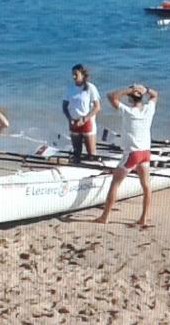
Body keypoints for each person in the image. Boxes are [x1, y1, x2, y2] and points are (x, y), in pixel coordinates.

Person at [94, 83, 158, 227]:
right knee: (146, 185)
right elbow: (155, 95)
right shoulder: (149, 109)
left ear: (130, 99)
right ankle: (143, 218)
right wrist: (145, 89)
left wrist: (129, 90)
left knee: (115, 184)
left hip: (132, 154)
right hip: (146, 153)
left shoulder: (128, 111)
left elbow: (111, 96)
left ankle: (105, 216)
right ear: (142, 98)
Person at [62, 64, 101, 163]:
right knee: (76, 153)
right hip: (74, 123)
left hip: (87, 123)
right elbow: (64, 107)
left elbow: (97, 107)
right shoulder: (69, 88)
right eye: (72, 74)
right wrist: (69, 118)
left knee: (91, 155)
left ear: (83, 75)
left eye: (76, 74)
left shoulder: (90, 88)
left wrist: (84, 119)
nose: (74, 77)